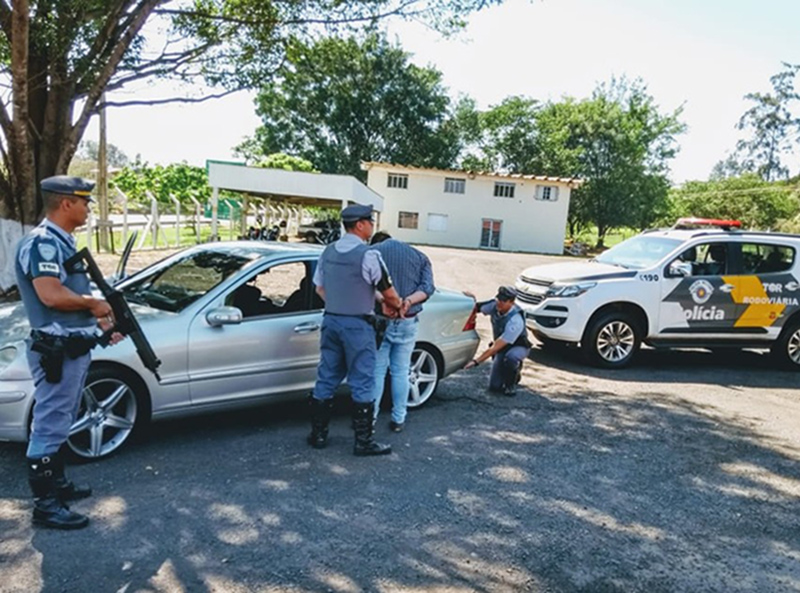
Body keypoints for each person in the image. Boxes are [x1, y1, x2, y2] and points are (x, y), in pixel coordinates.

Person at [14, 176, 124, 530]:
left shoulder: (63, 242)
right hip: (56, 349)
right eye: (84, 201)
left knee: (61, 417)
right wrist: (93, 304)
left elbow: (70, 297)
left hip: (70, 346)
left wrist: (102, 325)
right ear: (66, 204)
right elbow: (51, 295)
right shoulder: (43, 244)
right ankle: (45, 505)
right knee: (49, 422)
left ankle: (57, 485)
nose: (88, 208)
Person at [309, 204, 403, 456]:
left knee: (327, 376)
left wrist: (339, 304)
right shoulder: (369, 255)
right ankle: (363, 441)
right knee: (362, 379)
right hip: (357, 326)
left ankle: (318, 434)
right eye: (370, 222)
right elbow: (389, 293)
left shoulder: (327, 252)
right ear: (360, 225)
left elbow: (319, 288)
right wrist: (395, 305)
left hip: (331, 321)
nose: (372, 226)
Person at [369, 231, 435, 432]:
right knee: (401, 371)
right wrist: (407, 302)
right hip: (408, 319)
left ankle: (369, 419)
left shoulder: (371, 253)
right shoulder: (419, 256)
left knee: (377, 372)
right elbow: (428, 288)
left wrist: (385, 301)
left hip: (381, 320)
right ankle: (399, 418)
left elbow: (364, 284)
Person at [463, 286, 531, 396]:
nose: (499, 303)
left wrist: (476, 362)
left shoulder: (515, 320)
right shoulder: (494, 305)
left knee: (511, 357)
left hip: (517, 347)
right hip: (501, 347)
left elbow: (495, 347)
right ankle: (504, 369)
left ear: (511, 302)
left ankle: (511, 382)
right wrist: (469, 299)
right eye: (499, 299)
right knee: (494, 386)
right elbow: (476, 308)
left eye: (503, 301)